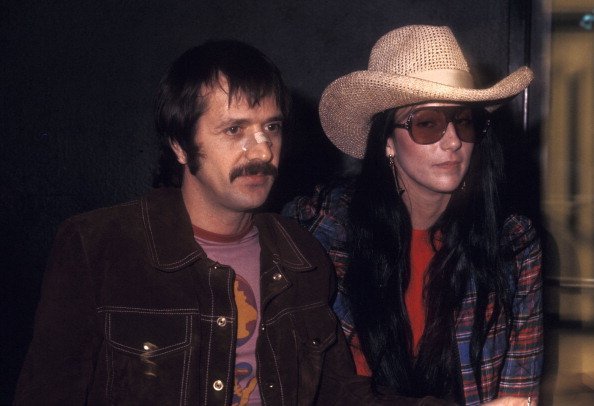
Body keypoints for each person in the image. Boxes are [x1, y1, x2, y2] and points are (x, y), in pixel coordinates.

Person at [14, 39, 446, 405]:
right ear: (181, 146)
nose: (261, 150)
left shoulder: (300, 255)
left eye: (271, 127)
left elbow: (340, 395)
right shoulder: (99, 247)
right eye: (234, 130)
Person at [284, 25, 543, 406]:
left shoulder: (512, 243)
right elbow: (316, 385)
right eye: (427, 123)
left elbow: (519, 395)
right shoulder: (324, 228)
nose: (453, 140)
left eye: (464, 120)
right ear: (387, 141)